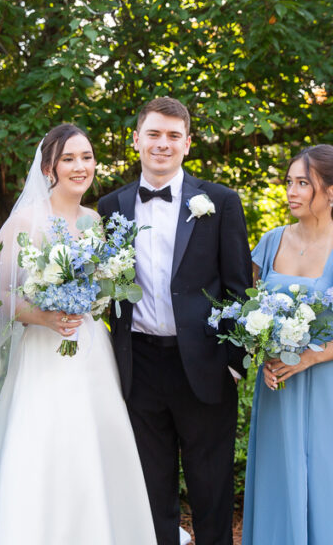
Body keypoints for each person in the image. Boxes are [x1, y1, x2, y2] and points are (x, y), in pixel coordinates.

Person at [0, 124, 156, 545]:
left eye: (87, 157)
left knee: (96, 442)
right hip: (44, 353)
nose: (81, 166)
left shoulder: (95, 221)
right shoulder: (23, 222)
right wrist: (42, 317)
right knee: (48, 442)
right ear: (48, 169)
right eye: (69, 159)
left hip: (93, 351)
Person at [98, 98, 251, 545]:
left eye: (172, 136)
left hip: (205, 365)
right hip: (139, 363)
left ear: (187, 143)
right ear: (137, 140)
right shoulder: (111, 207)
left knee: (212, 487)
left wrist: (233, 360)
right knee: (150, 487)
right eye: (153, 134)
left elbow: (238, 286)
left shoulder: (219, 202)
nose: (162, 144)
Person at [242, 144, 333, 544]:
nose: (292, 191)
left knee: (328, 477)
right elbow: (247, 308)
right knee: (279, 475)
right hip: (277, 383)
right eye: (289, 182)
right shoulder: (270, 242)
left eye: (303, 183)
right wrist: (264, 347)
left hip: (328, 383)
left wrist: (310, 356)